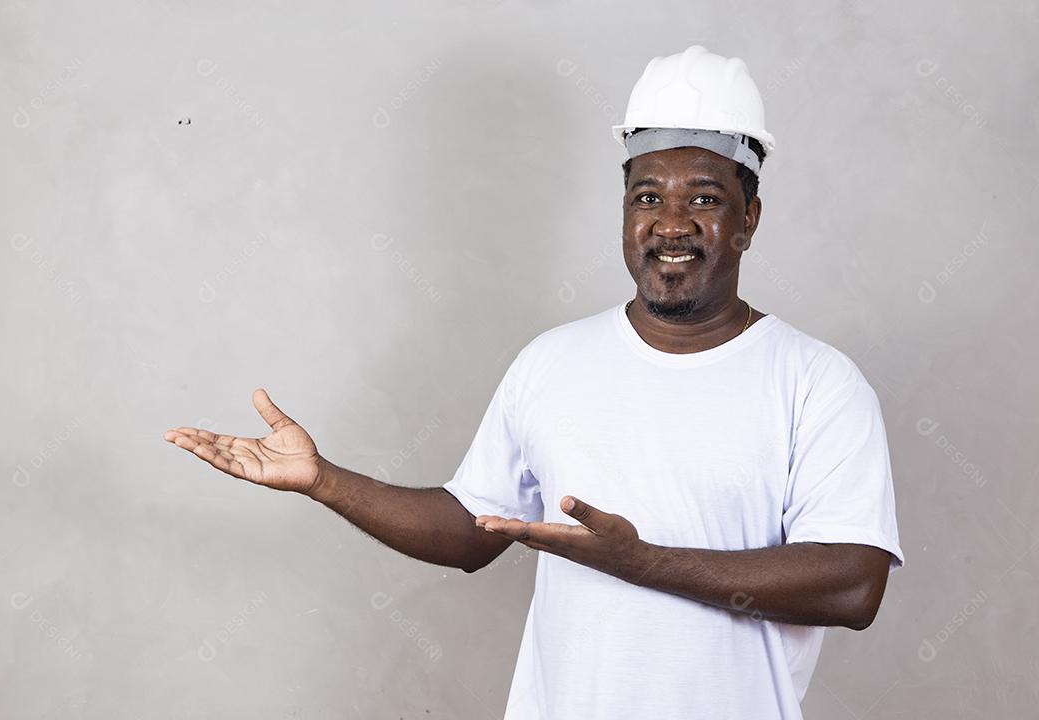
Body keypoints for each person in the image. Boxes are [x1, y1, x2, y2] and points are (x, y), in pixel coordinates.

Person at [164, 45, 904, 720]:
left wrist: (643, 563)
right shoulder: (553, 362)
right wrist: (324, 480)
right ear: (624, 212)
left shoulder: (816, 382)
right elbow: (471, 531)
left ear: (750, 220)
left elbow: (852, 584)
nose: (671, 223)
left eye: (704, 198)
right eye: (648, 197)